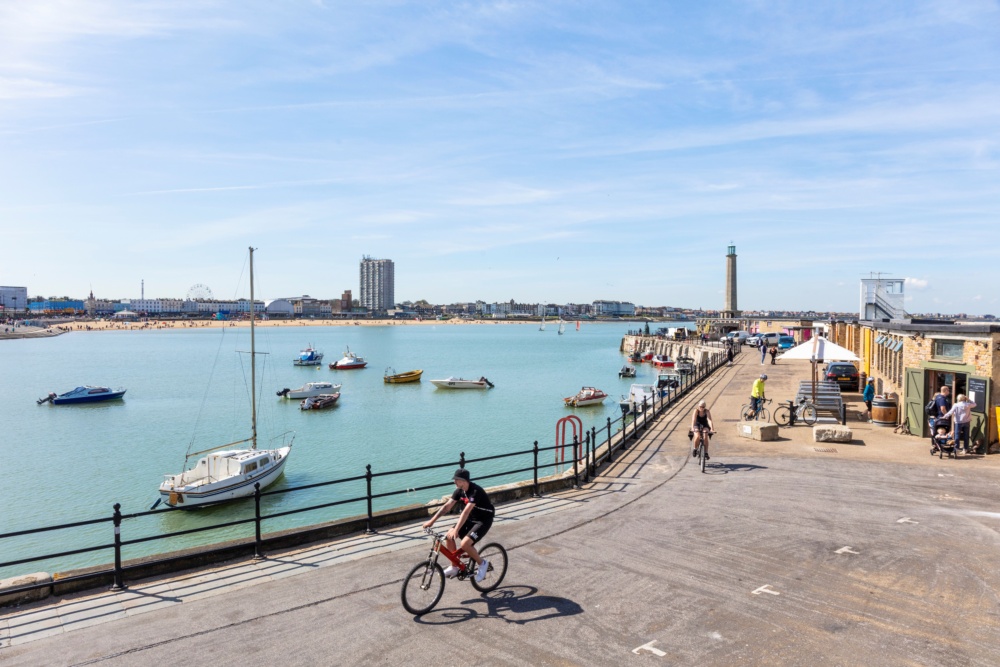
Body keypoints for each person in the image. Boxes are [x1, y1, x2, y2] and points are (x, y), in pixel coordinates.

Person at [422, 468, 494, 581]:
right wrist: (431, 521)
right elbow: (446, 507)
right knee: (449, 537)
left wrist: (457, 529)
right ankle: (454, 567)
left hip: (483, 520)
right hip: (471, 519)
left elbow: (465, 512)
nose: (454, 482)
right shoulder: (459, 491)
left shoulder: (475, 491)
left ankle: (482, 563)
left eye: (456, 480)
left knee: (465, 544)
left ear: (464, 480)